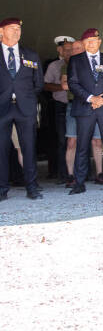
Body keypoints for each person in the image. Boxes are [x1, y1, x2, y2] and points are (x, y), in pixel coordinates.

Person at [67, 28, 103, 194]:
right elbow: (73, 83)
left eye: (94, 40)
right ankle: (79, 183)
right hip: (86, 107)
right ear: (83, 44)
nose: (91, 44)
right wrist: (92, 98)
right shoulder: (76, 61)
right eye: (87, 42)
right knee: (82, 146)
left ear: (100, 42)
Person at [0, 18, 44, 200]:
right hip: (2, 108)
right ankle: (2, 189)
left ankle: (31, 187)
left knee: (28, 148)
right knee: (1, 150)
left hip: (25, 108)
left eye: (19, 29)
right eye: (12, 28)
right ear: (1, 32)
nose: (17, 32)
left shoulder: (30, 55)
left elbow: (38, 83)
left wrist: (25, 97)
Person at [43, 35, 74, 183]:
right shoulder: (54, 66)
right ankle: (63, 174)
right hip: (61, 105)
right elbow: (45, 85)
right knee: (63, 141)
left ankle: (81, 173)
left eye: (70, 49)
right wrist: (61, 87)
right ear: (59, 50)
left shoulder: (79, 64)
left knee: (79, 139)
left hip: (77, 105)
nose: (68, 52)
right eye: (65, 49)